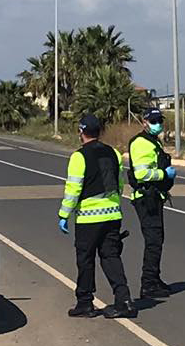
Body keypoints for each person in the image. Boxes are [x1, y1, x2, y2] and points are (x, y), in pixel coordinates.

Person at [59, 114, 136, 317]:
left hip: (88, 218)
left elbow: (73, 189)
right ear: (100, 132)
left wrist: (64, 214)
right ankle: (124, 300)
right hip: (112, 216)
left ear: (81, 132)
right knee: (111, 257)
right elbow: (118, 185)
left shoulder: (79, 157)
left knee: (85, 259)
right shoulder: (114, 154)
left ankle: (85, 302)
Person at [126, 107, 178, 299]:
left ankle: (154, 279)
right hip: (146, 198)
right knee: (153, 241)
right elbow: (141, 174)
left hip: (155, 196)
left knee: (158, 239)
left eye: (160, 121)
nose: (158, 124)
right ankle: (148, 284)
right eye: (154, 121)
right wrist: (164, 174)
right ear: (144, 122)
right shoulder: (140, 143)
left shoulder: (153, 142)